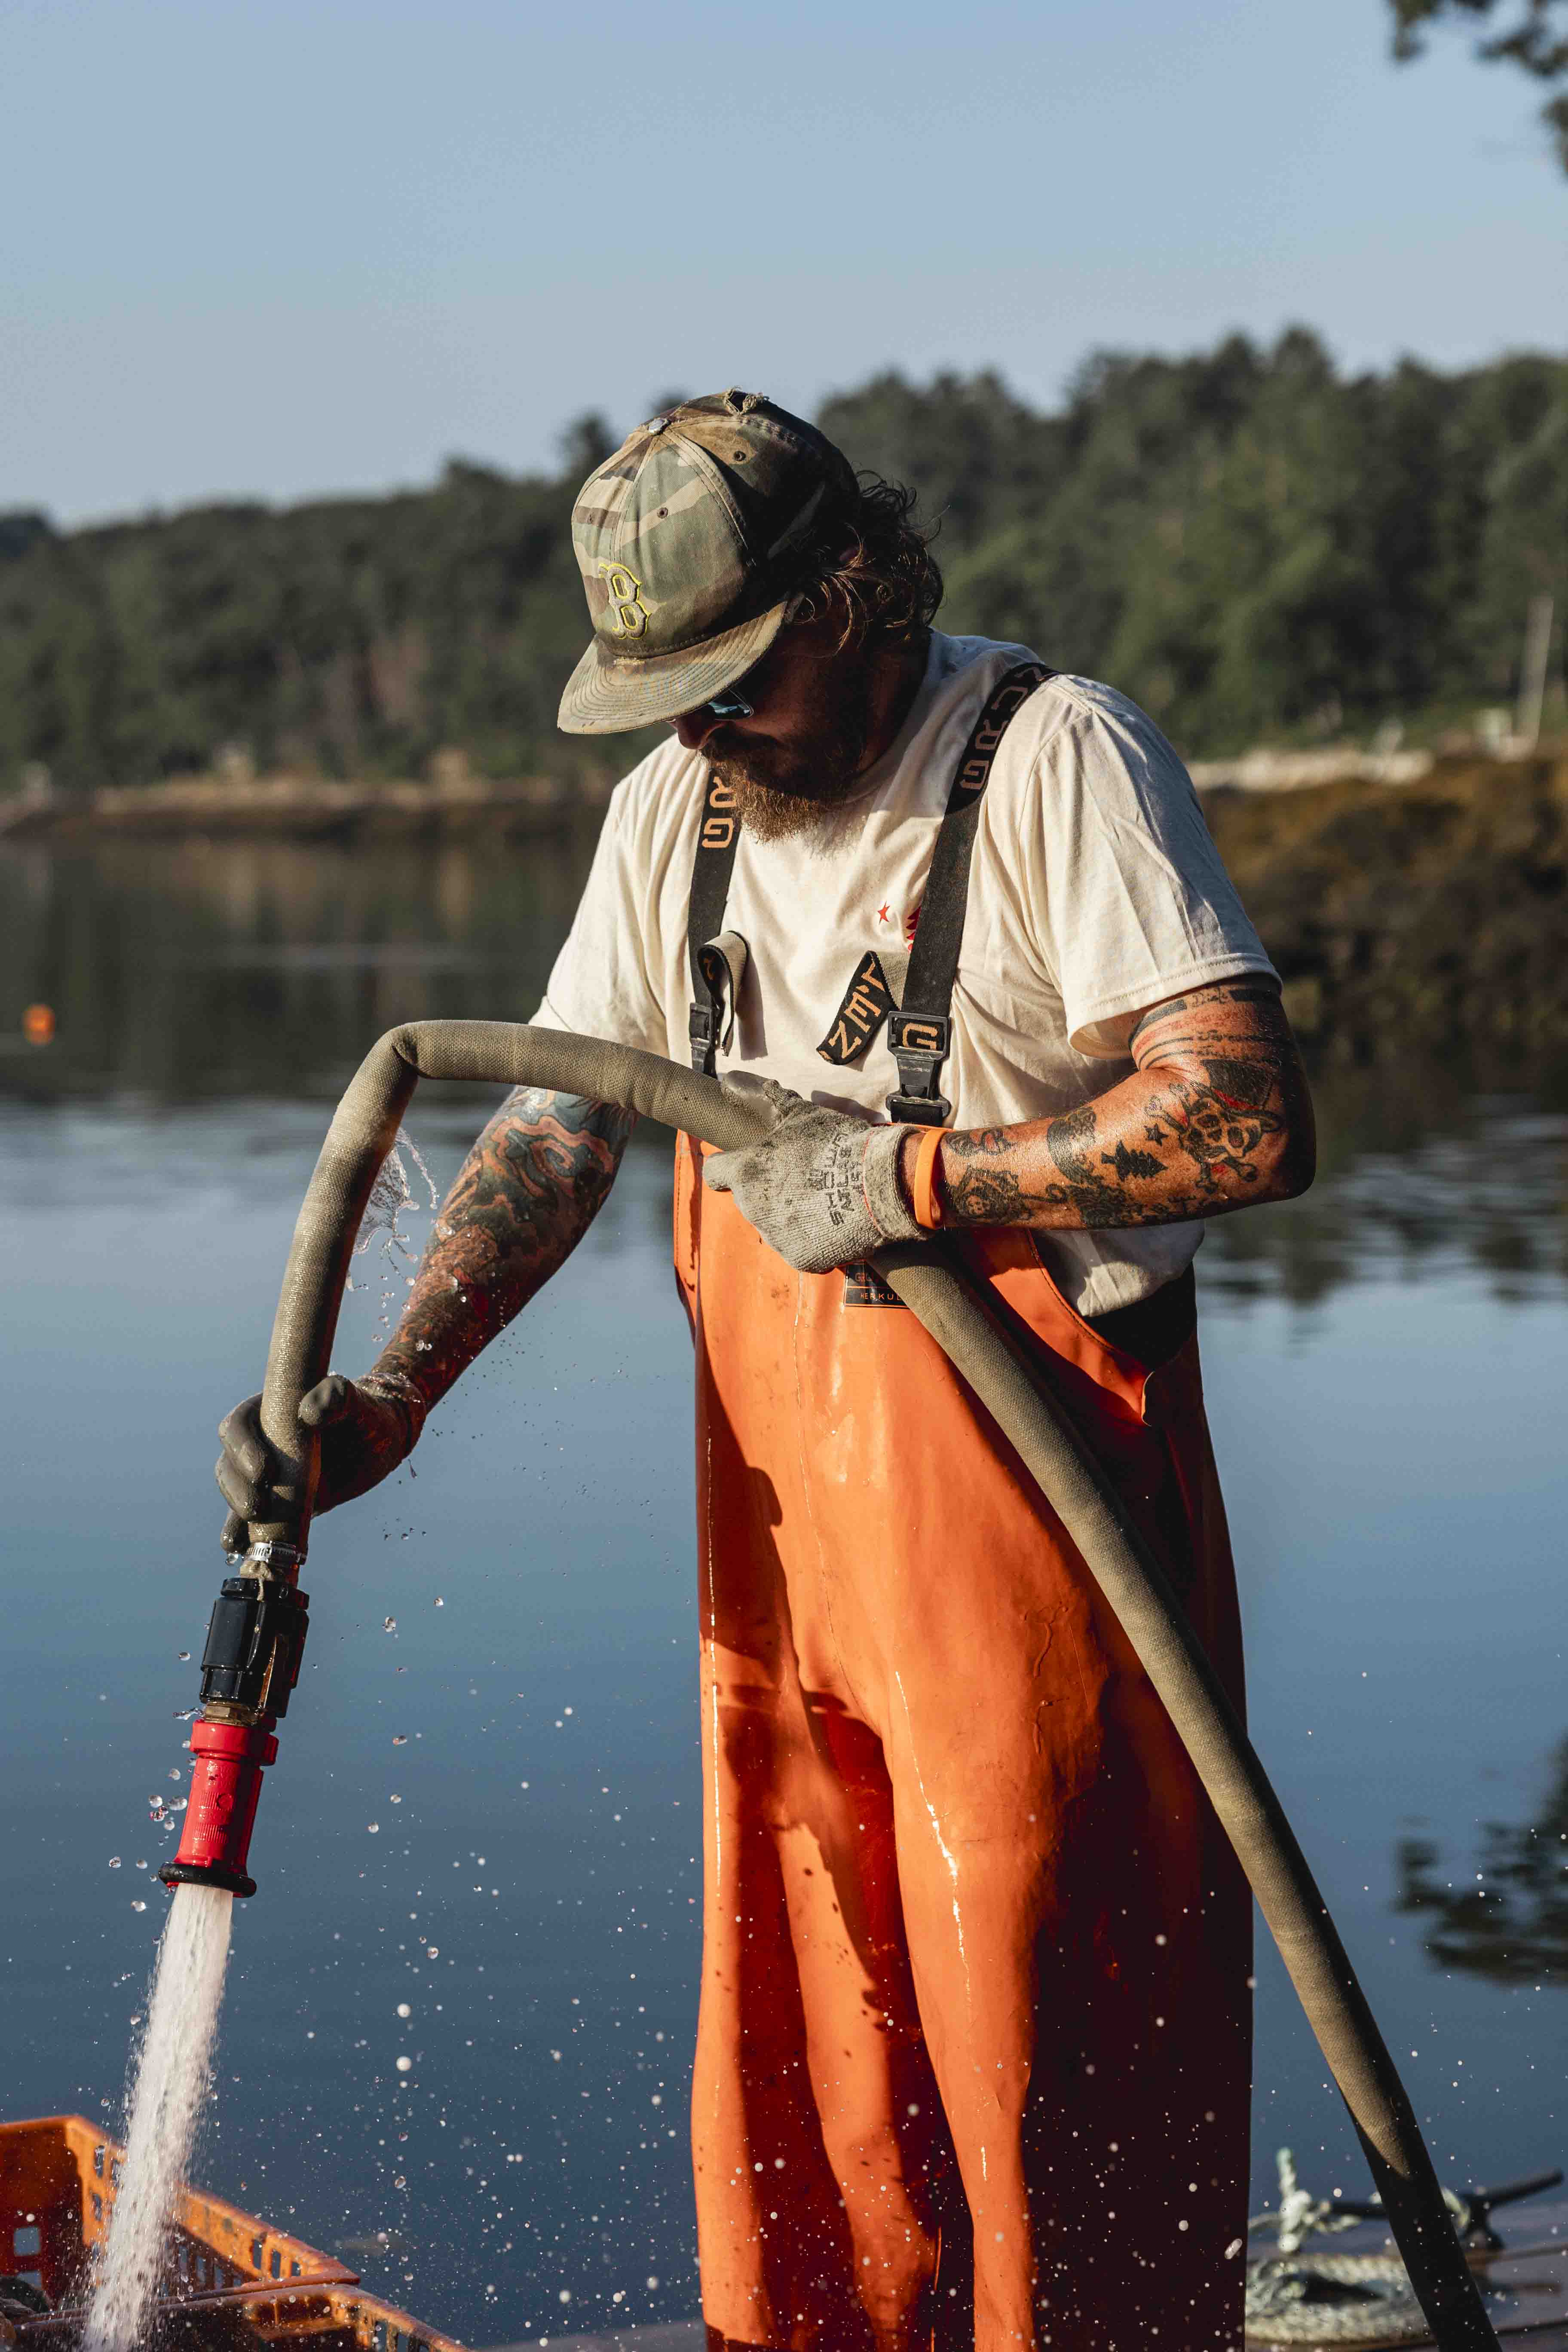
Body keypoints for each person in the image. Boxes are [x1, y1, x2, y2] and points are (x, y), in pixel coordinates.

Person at [218, 389, 1314, 2352]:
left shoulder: (1054, 761)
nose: (703, 723)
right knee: (812, 2080)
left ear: (858, 589)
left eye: (735, 677)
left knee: (1046, 2062)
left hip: (1043, 1552)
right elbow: (558, 1135)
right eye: (671, 692)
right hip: (790, 1554)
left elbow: (1244, 1116)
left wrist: (928, 1171)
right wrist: (386, 1403)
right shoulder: (679, 811)